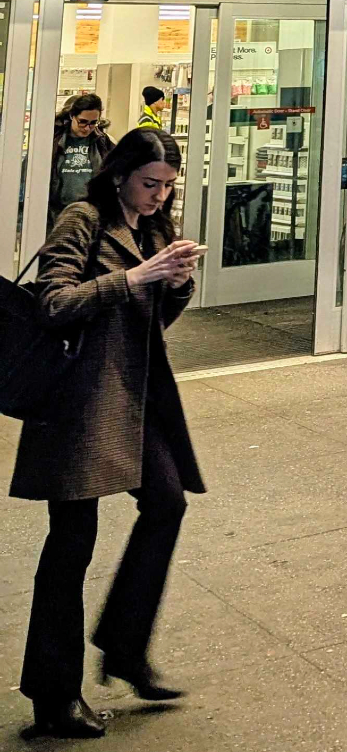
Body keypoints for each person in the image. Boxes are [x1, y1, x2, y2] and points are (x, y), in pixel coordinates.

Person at [10, 128, 205, 741]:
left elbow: (155, 318)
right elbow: (52, 303)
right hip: (79, 403)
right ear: (120, 174)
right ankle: (53, 697)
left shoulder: (153, 228)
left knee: (167, 501)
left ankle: (123, 648)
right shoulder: (83, 218)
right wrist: (135, 278)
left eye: (168, 187)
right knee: (72, 542)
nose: (159, 196)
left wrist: (174, 282)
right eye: (151, 184)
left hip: (134, 397)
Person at [49, 95, 113, 228]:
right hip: (57, 214)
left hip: (91, 215)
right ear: (72, 116)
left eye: (93, 123)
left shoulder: (103, 142)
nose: (87, 128)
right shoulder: (53, 140)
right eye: (82, 122)